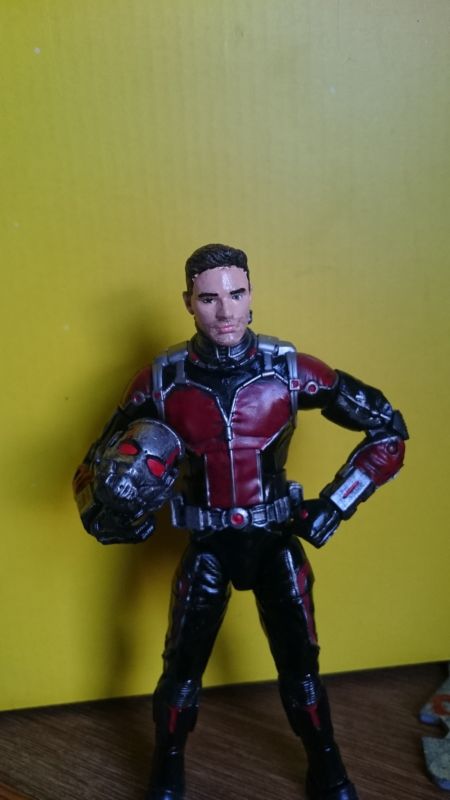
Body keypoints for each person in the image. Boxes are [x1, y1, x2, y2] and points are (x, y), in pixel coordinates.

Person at [74, 244, 408, 800]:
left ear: (252, 294)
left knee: (302, 670)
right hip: (208, 545)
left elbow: (388, 430)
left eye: (236, 293)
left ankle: (327, 765)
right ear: (188, 302)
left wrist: (336, 503)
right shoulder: (159, 381)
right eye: (209, 298)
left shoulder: (291, 370)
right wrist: (110, 515)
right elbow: (91, 466)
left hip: (275, 541)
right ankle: (167, 769)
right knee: (181, 672)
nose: (225, 311)